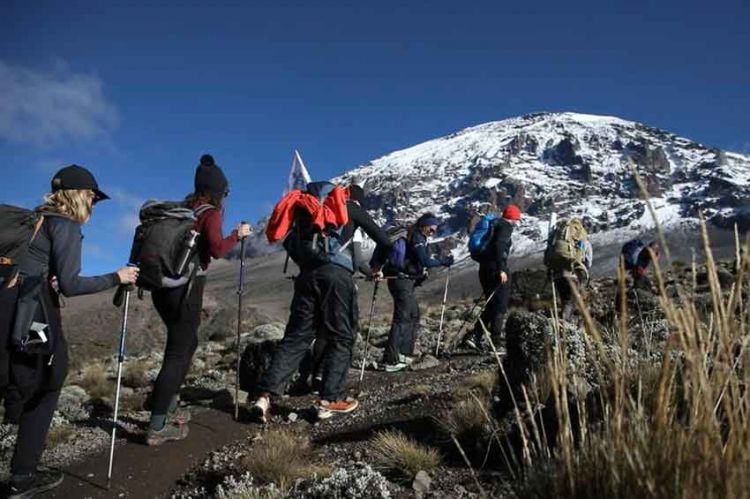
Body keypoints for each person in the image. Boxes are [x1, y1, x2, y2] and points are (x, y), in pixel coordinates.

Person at [0, 165, 139, 498]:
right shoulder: (65, 226)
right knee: (48, 382)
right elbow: (71, 284)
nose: (94, 203)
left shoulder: (34, 222)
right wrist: (117, 278)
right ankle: (22, 476)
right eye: (92, 196)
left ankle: (16, 431)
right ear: (79, 195)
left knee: (13, 380)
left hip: (6, 306)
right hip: (30, 318)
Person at [250, 183, 391, 422]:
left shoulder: (303, 211)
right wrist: (377, 266)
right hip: (337, 277)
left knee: (297, 337)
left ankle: (264, 396)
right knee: (341, 336)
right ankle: (329, 398)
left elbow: (289, 243)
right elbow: (385, 242)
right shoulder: (349, 208)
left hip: (306, 276)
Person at [145, 154, 250, 445]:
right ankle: (156, 424)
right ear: (218, 190)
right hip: (187, 289)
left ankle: (165, 402)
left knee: (185, 343)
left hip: (162, 288)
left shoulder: (184, 209)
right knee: (178, 352)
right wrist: (236, 236)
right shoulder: (210, 213)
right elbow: (216, 249)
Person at [381, 213, 453, 372]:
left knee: (413, 315)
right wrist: (443, 261)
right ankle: (391, 359)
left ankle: (404, 353)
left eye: (435, 229)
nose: (432, 232)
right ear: (424, 225)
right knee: (402, 318)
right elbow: (425, 261)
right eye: (431, 228)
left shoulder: (417, 237)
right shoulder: (417, 238)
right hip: (402, 282)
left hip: (404, 282)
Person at [463, 204, 521, 351]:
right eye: (517, 219)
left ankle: (474, 336)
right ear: (513, 218)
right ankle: (496, 343)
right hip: (496, 269)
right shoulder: (505, 226)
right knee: (500, 305)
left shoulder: (494, 224)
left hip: (484, 269)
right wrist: (501, 269)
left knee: (491, 305)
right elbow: (499, 246)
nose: (517, 222)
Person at [552, 233, 592, 322]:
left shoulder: (558, 239)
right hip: (573, 275)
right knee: (570, 301)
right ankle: (565, 324)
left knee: (564, 299)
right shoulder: (583, 240)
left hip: (557, 275)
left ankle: (563, 322)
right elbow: (589, 261)